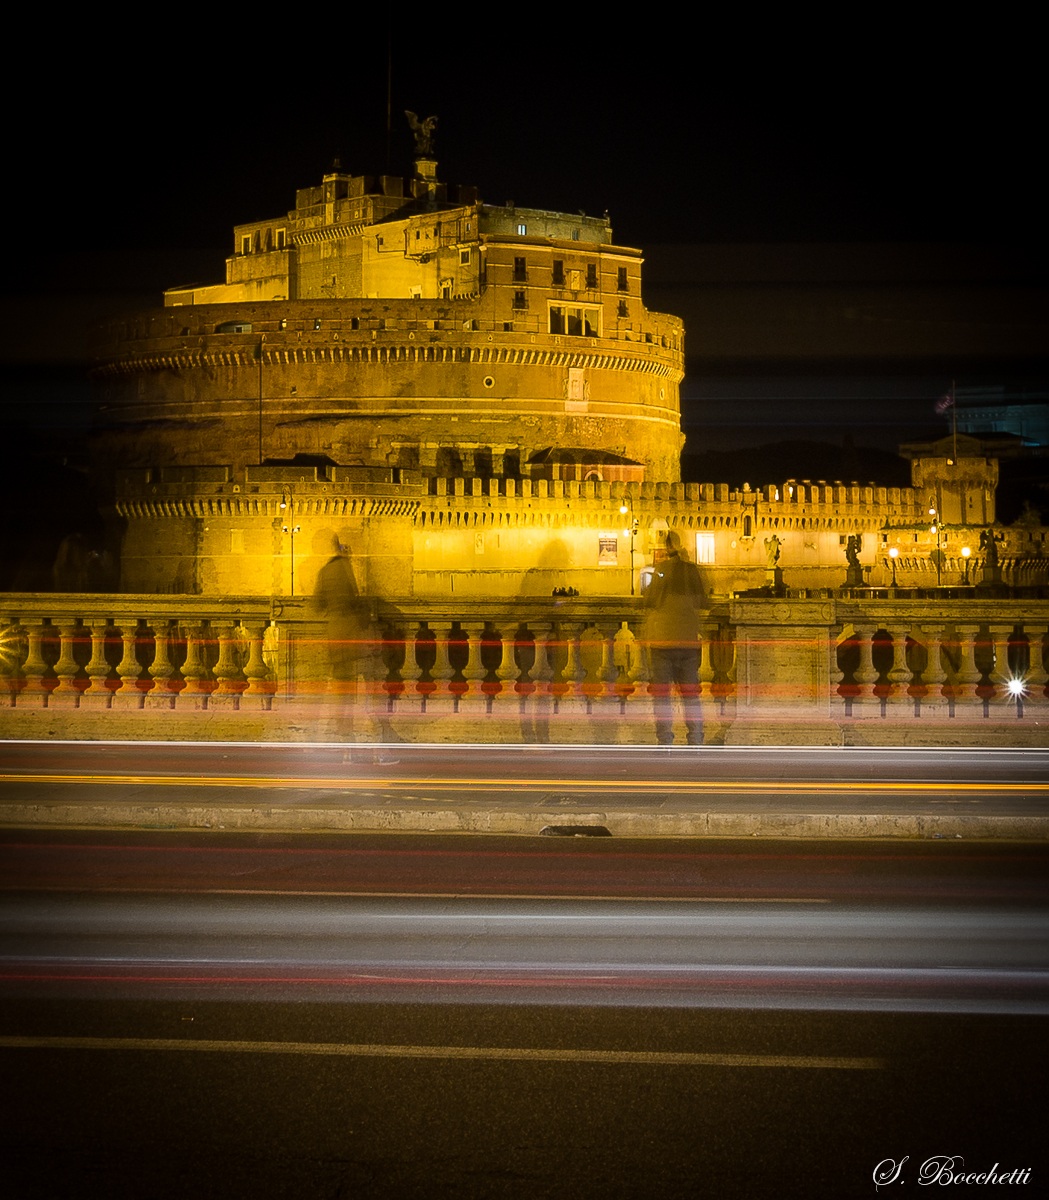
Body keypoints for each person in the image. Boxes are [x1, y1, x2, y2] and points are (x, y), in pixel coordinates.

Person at [644, 530, 705, 746]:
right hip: (688, 640)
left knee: (662, 698)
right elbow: (704, 601)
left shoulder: (660, 571)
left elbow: (649, 599)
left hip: (663, 641)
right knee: (690, 695)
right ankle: (696, 740)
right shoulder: (693, 572)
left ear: (667, 546)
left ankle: (665, 742)